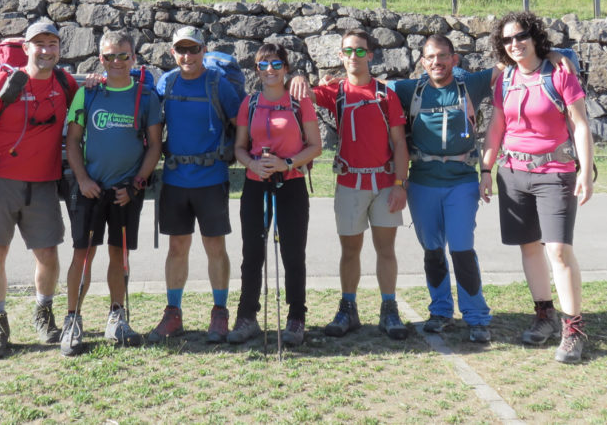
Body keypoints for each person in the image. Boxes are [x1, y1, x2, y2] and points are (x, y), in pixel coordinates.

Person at [479, 11, 595, 364]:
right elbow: (497, 125)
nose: (515, 44)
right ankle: (543, 314)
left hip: (555, 173)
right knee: (529, 247)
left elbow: (580, 126)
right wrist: (485, 168)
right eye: (507, 40)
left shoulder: (559, 73)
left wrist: (585, 172)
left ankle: (573, 330)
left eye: (521, 36)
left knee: (558, 250)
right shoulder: (505, 78)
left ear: (535, 37)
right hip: (512, 174)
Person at [0, 21, 79, 359]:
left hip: (43, 183)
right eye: (39, 44)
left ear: (60, 48)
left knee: (48, 254)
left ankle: (44, 313)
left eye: (52, 44)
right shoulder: (3, 82)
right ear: (26, 48)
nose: (46, 50)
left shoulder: (64, 82)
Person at [290, 28, 410, 340]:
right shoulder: (337, 92)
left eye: (359, 50)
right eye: (347, 51)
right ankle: (348, 308)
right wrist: (301, 76)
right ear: (340, 56)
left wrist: (400, 183)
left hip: (384, 182)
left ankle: (389, 308)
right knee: (350, 250)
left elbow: (399, 143)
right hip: (349, 183)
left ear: (370, 55)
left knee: (386, 249)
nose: (353, 56)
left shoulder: (386, 94)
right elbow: (302, 93)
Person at [59, 30, 163, 356]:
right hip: (89, 190)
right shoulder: (87, 93)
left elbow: (155, 146)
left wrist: (135, 185)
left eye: (122, 55)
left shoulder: (146, 96)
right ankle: (72, 319)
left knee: (119, 255)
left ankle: (117, 317)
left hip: (125, 192)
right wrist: (83, 179)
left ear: (133, 58)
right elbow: (72, 142)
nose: (116, 62)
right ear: (99, 59)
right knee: (82, 255)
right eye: (108, 56)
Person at [389, 34, 494, 343]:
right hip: (422, 184)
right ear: (423, 62)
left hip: (461, 183)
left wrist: (557, 55)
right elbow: (369, 86)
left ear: (454, 59)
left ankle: (476, 317)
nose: (437, 62)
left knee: (462, 249)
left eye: (443, 56)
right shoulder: (411, 89)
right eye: (431, 57)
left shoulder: (470, 85)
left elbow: (511, 65)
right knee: (433, 251)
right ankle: (441, 311)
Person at [148, 26, 242, 343]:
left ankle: (219, 312)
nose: (187, 56)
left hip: (211, 178)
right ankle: (173, 313)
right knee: (177, 247)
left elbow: (239, 124)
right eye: (181, 50)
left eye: (193, 49)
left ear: (204, 50)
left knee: (215, 247)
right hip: (175, 179)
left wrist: (236, 154)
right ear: (173, 52)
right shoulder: (167, 82)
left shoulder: (218, 85)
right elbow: (151, 122)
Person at [227, 44, 321, 347]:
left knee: (293, 254)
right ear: (256, 70)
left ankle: (296, 318)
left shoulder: (298, 101)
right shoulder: (250, 103)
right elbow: (239, 147)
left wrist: (287, 163)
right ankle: (247, 317)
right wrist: (253, 163)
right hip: (255, 184)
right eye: (263, 65)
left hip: (290, 183)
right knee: (252, 254)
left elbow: (315, 146)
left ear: (286, 68)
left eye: (276, 64)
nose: (270, 70)